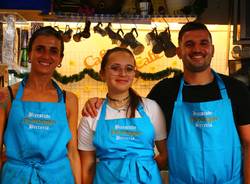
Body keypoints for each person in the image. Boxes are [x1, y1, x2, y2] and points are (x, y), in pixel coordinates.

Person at [82, 21, 250, 183]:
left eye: (203, 43)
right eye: (189, 44)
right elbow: (130, 108)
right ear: (179, 51)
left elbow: (249, 144)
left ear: (212, 49)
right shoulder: (164, 91)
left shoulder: (236, 90)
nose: (197, 49)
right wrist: (100, 102)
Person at [0, 26, 81, 184]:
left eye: (53, 51)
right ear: (29, 54)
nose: (46, 56)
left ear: (60, 59)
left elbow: (72, 151)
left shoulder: (69, 100)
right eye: (40, 49)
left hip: (59, 178)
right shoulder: (7, 96)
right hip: (16, 178)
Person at [78, 47, 167, 184]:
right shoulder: (92, 114)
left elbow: (165, 154)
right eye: (115, 68)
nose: (123, 73)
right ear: (102, 74)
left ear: (134, 74)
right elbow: (87, 167)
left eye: (129, 68)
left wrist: (145, 168)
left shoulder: (151, 107)